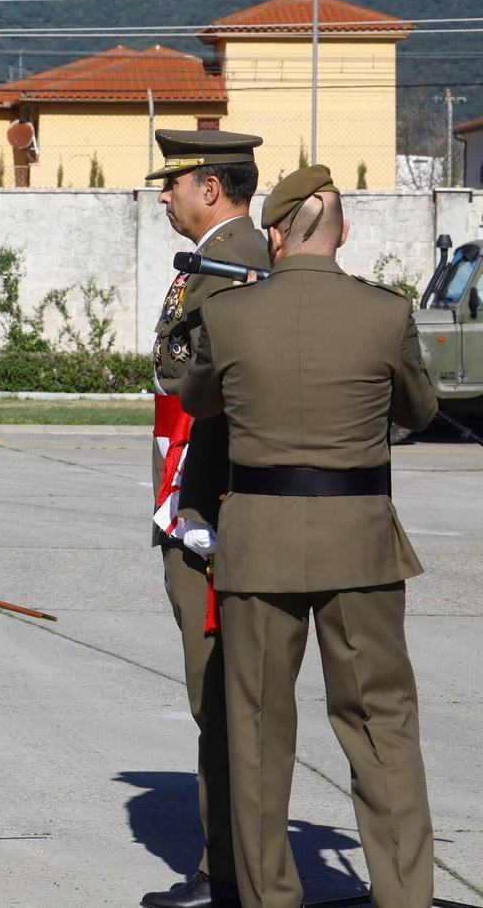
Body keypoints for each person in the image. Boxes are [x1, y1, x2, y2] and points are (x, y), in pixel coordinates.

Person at [181, 165, 439, 908]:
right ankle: (404, 897)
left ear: (272, 235)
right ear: (344, 234)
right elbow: (419, 410)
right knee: (380, 727)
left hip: (258, 540)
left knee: (258, 732)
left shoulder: (229, 316)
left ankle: (269, 897)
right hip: (358, 542)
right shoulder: (384, 313)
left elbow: (195, 395)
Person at [140, 130, 267, 908]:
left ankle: (232, 869)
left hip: (211, 513)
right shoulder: (215, 260)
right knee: (211, 694)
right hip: (193, 506)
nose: (163, 196)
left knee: (223, 696)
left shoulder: (238, 262)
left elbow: (231, 397)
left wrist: (203, 508)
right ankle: (230, 860)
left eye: (173, 182)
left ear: (210, 188)